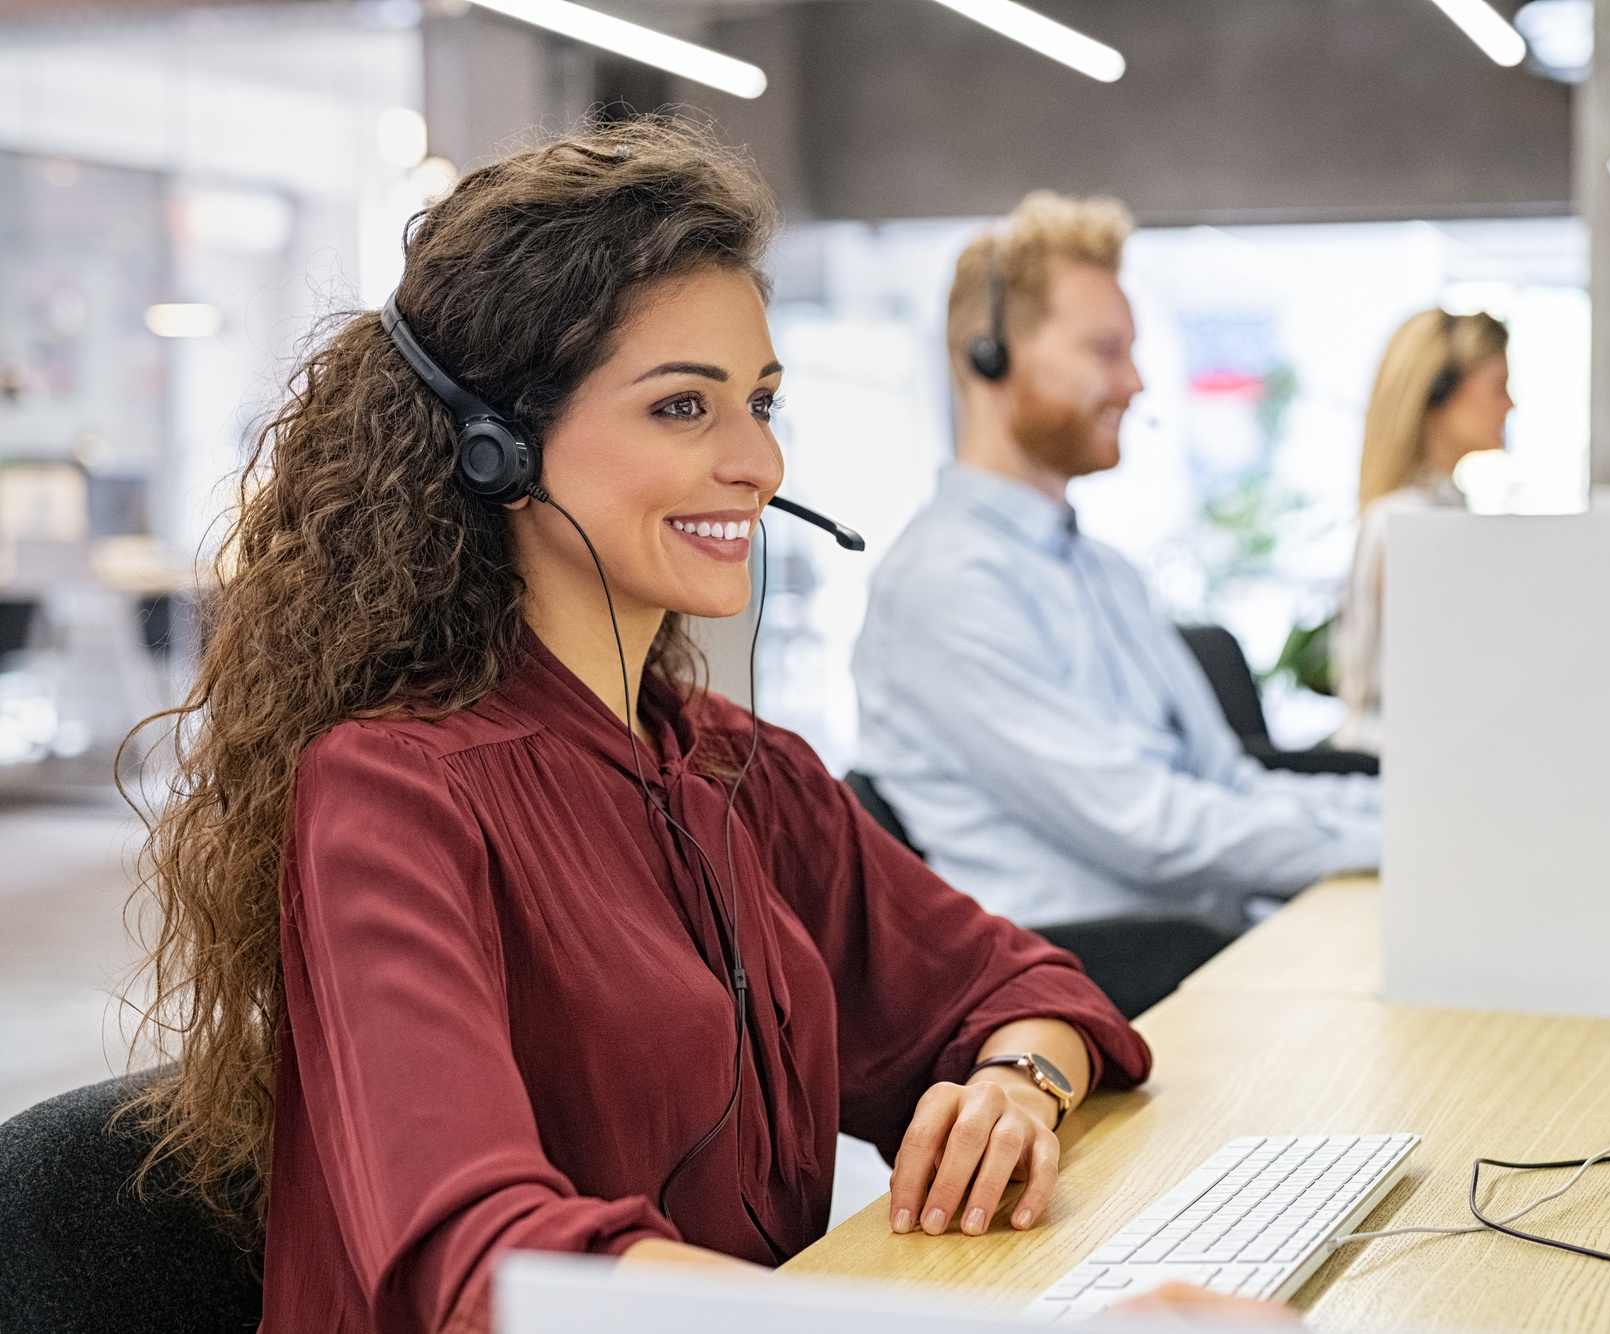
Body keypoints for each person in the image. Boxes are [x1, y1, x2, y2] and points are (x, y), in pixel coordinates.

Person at [118, 122, 1158, 1334]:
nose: (758, 461)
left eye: (761, 403)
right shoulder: (390, 795)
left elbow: (1025, 984)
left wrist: (1014, 1087)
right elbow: (491, 1265)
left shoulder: (737, 767)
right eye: (682, 407)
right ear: (496, 445)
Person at [851, 192, 1380, 992]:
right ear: (988, 355)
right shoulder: (946, 585)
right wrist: (1411, 843)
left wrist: (1407, 823)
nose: (1134, 383)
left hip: (1206, 954)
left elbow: (1227, 783)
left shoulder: (1105, 573)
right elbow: (1151, 830)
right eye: (1105, 350)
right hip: (1088, 985)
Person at [1334, 309, 1511, 756]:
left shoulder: (1435, 512)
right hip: (1393, 766)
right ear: (1439, 392)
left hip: (1417, 759)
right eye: (1498, 387)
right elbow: (1451, 680)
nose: (1510, 405)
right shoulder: (1412, 524)